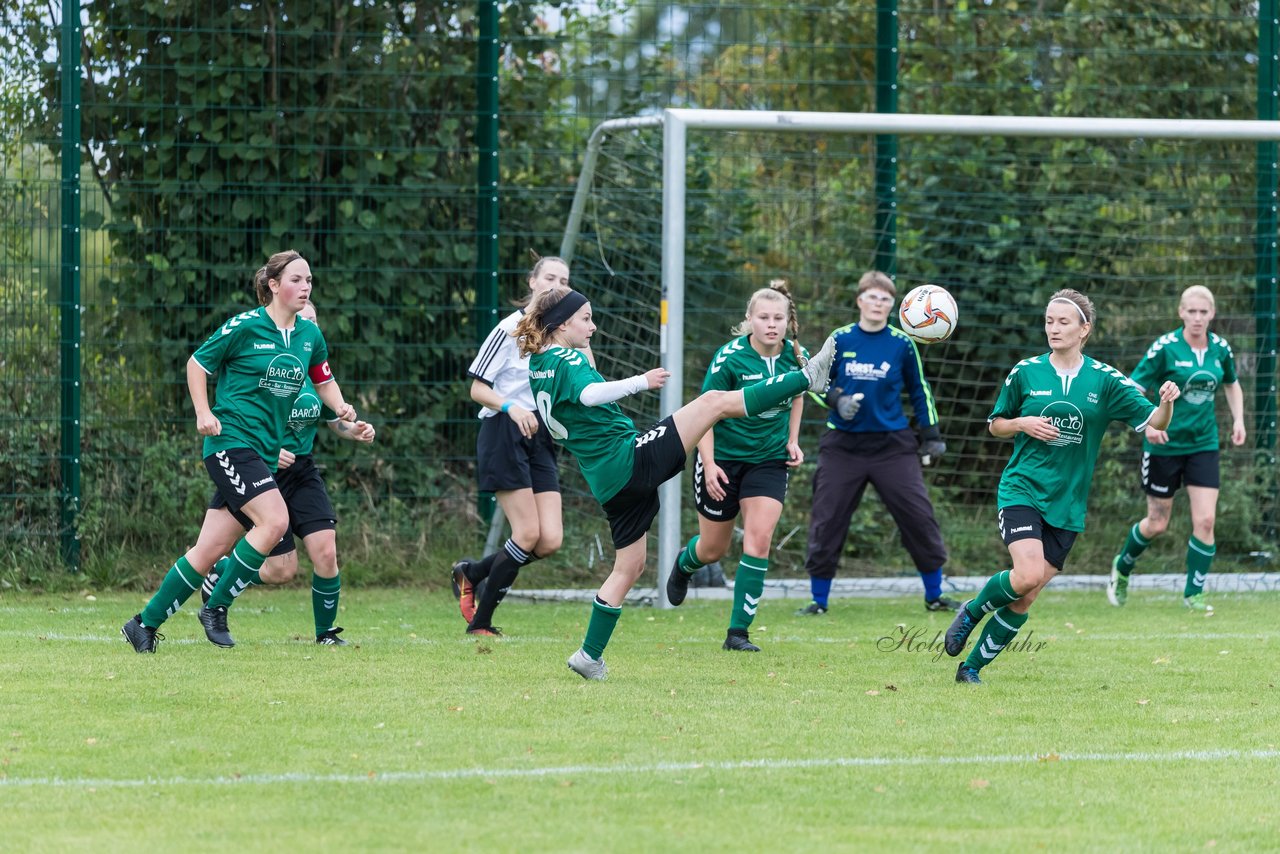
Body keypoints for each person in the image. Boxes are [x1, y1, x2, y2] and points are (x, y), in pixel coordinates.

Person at [518, 286, 836, 680]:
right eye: (585, 318)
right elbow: (589, 394)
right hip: (627, 460)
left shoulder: (539, 363)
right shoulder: (565, 356)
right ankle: (808, 377)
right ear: (562, 323)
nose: (593, 326)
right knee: (713, 402)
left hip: (607, 480)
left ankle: (588, 655)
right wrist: (641, 381)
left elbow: (577, 381)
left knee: (629, 567)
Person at [121, 250, 356, 653]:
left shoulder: (308, 336)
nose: (306, 287)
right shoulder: (245, 327)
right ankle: (216, 607)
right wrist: (203, 412)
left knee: (209, 549)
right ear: (273, 285)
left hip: (261, 454)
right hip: (231, 444)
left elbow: (323, 379)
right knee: (275, 520)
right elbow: (197, 364)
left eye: (310, 280)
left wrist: (340, 407)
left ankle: (142, 624)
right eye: (297, 280)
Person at [944, 289, 1180, 684]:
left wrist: (1167, 401)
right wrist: (1022, 423)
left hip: (1068, 504)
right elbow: (995, 424)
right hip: (1022, 488)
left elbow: (1156, 423)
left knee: (1028, 594)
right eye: (1049, 321)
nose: (1053, 328)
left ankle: (970, 669)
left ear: (1084, 329)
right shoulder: (1025, 372)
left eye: (1063, 322)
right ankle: (972, 610)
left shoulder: (1105, 381)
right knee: (1027, 573)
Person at [199, 300, 376, 645]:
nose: (303, 326)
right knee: (281, 570)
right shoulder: (268, 367)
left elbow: (333, 420)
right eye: (299, 319)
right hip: (259, 466)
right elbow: (247, 415)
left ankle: (325, 633)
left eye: (311, 320)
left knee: (325, 550)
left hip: (301, 470)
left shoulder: (314, 374)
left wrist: (353, 430)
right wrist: (266, 447)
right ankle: (221, 575)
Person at [795, 270, 959, 617]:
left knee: (918, 517)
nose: (878, 303)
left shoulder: (903, 343)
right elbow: (816, 383)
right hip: (842, 446)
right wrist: (837, 400)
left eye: (885, 298)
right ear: (859, 301)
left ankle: (935, 595)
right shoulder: (839, 339)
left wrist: (931, 435)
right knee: (828, 519)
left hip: (893, 447)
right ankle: (818, 601)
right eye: (872, 296)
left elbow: (920, 390)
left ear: (893, 305)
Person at [667, 280, 808, 652]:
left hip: (769, 461)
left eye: (778, 317)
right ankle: (684, 565)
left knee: (759, 538)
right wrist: (708, 463)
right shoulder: (729, 357)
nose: (772, 324)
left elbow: (797, 395)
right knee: (713, 549)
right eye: (764, 317)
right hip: (723, 460)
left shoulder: (797, 355)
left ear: (787, 320)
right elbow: (705, 412)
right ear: (750, 320)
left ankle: (738, 633)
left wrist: (792, 440)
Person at [451, 256, 572, 636]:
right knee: (526, 534)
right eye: (549, 277)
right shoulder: (509, 329)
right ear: (533, 282)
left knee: (550, 539)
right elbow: (476, 388)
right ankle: (481, 623)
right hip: (504, 431)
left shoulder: (562, 336)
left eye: (564, 280)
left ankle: (472, 572)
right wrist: (511, 406)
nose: (556, 285)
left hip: (541, 437)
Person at [1107, 285, 1245, 612]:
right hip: (1164, 446)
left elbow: (1232, 383)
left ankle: (1193, 594)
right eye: (1191, 311)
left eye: (1203, 312)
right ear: (1181, 312)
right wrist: (1150, 425)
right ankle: (1122, 567)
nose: (1197, 318)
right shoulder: (1165, 348)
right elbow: (1133, 388)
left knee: (1206, 521)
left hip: (1203, 444)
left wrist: (1239, 420)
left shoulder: (1221, 349)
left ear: (1212, 314)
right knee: (1157, 524)